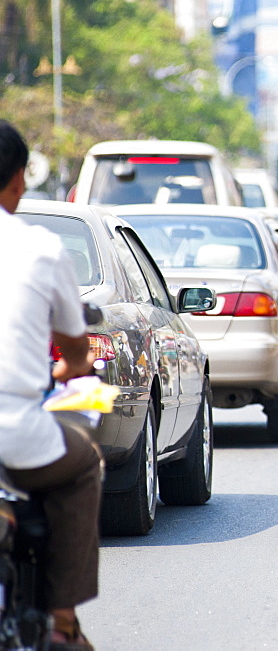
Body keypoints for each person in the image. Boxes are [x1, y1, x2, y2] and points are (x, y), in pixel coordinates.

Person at [0, 120, 102, 650]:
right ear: (18, 180)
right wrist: (70, 368)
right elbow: (77, 349)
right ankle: (62, 617)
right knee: (83, 465)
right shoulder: (38, 248)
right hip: (16, 430)